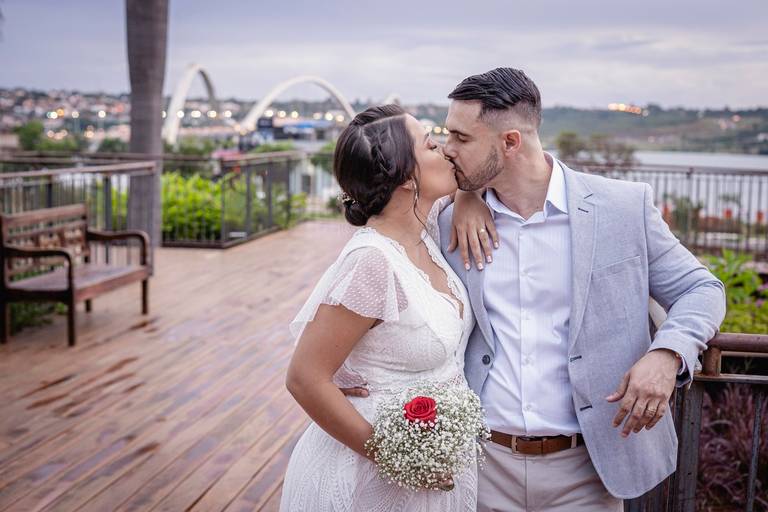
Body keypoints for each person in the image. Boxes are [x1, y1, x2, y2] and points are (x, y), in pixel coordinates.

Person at [436, 67, 726, 511]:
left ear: (510, 142)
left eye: (461, 138)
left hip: (588, 471)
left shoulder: (622, 208)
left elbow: (700, 288)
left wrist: (667, 354)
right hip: (479, 466)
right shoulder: (447, 220)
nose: (445, 147)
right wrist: (464, 195)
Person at [280, 104, 479, 511]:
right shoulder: (372, 263)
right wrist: (393, 457)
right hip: (370, 478)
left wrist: (470, 196)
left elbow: (481, 175)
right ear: (407, 177)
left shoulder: (425, 230)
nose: (443, 149)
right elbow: (304, 378)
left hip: (433, 469)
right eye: (429, 145)